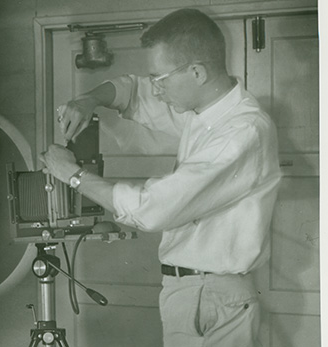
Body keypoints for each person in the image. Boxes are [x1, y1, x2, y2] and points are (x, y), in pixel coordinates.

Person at [39, 8, 281, 347]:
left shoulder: (241, 132)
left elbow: (153, 208)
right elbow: (132, 92)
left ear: (197, 72)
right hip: (194, 292)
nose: (156, 89)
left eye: (160, 79)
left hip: (211, 296)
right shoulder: (204, 114)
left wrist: (72, 175)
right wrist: (87, 100)